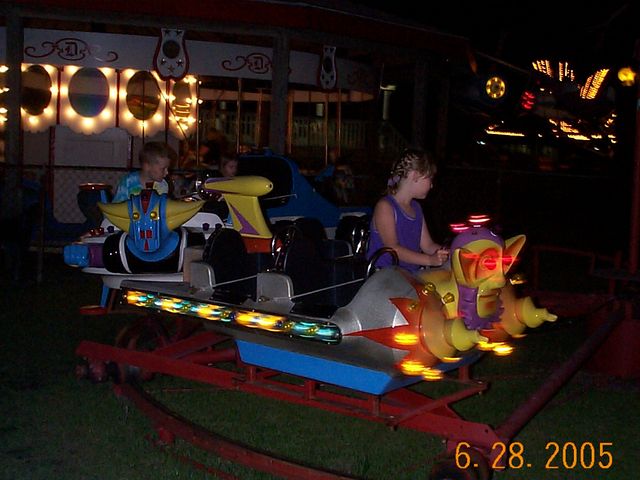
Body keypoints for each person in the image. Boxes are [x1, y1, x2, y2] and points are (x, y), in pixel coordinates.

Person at [366, 148, 449, 272]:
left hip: (408, 275)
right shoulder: (385, 207)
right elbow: (393, 248)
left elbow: (428, 245)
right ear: (416, 175)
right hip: (385, 275)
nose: (431, 185)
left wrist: (451, 253)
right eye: (430, 178)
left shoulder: (416, 208)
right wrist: (429, 260)